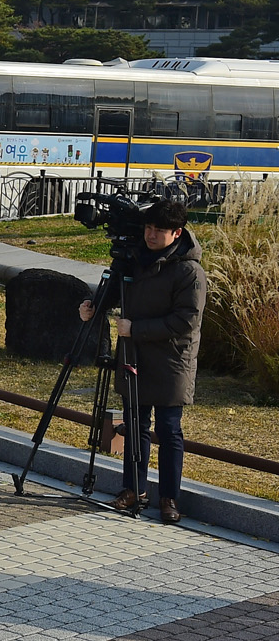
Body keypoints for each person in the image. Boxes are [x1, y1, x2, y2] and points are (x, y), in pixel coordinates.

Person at [79, 199, 208, 524]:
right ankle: (133, 489)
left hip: (171, 360)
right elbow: (114, 292)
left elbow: (186, 320)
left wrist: (136, 329)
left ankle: (169, 498)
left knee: (168, 430)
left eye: (159, 231)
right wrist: (93, 305)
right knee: (135, 426)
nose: (151, 235)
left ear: (177, 232)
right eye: (148, 228)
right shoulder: (134, 257)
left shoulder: (189, 270)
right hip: (133, 353)